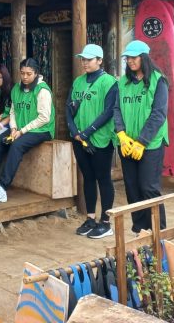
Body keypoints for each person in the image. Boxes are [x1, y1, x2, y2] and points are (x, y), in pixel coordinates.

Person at [0, 58, 54, 205]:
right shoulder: (17, 88)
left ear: (36, 73)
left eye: (28, 74)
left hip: (41, 130)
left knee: (16, 146)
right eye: (22, 73)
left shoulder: (42, 90)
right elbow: (12, 111)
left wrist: (22, 131)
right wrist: (14, 128)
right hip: (19, 128)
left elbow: (44, 118)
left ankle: (2, 188)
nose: (24, 77)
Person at [114, 40, 169, 234]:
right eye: (128, 58)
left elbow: (158, 114)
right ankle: (139, 228)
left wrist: (142, 141)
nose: (130, 61)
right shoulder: (123, 82)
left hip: (150, 144)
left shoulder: (158, 80)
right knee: (132, 187)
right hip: (127, 143)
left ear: (144, 58)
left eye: (134, 57)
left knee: (148, 187)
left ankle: (158, 230)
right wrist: (120, 133)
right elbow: (116, 108)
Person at [66, 44, 118, 239]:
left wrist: (88, 132)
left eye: (89, 59)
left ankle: (105, 222)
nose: (84, 62)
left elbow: (108, 111)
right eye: (83, 59)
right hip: (79, 138)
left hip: (100, 139)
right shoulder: (78, 82)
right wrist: (74, 131)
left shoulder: (109, 82)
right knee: (87, 177)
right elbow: (68, 108)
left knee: (103, 178)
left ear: (100, 60)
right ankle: (90, 218)